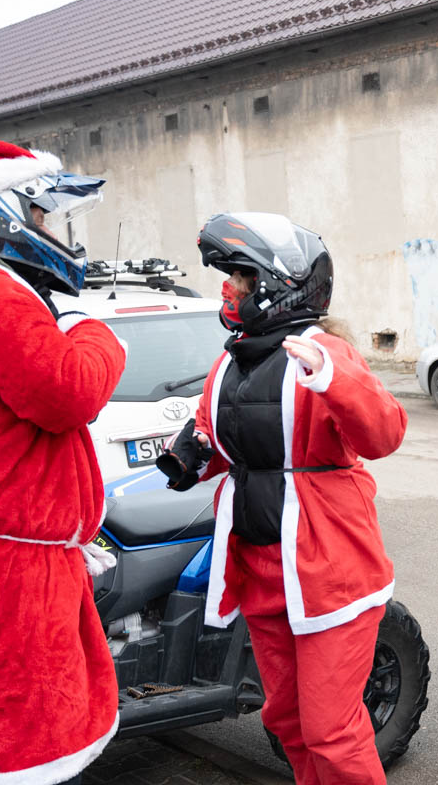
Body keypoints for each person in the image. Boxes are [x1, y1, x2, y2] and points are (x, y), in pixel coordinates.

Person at [158, 212, 407, 785]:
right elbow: (219, 436)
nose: (229, 288)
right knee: (288, 720)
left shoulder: (324, 354)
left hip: (328, 572)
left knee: (332, 730)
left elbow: (385, 433)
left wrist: (333, 379)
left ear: (276, 284)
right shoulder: (231, 359)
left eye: (240, 277)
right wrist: (191, 455)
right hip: (261, 570)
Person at [0, 137, 124, 785]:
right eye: (42, 216)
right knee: (23, 752)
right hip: (11, 578)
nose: (52, 231)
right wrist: (93, 329)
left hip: (25, 561)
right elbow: (68, 389)